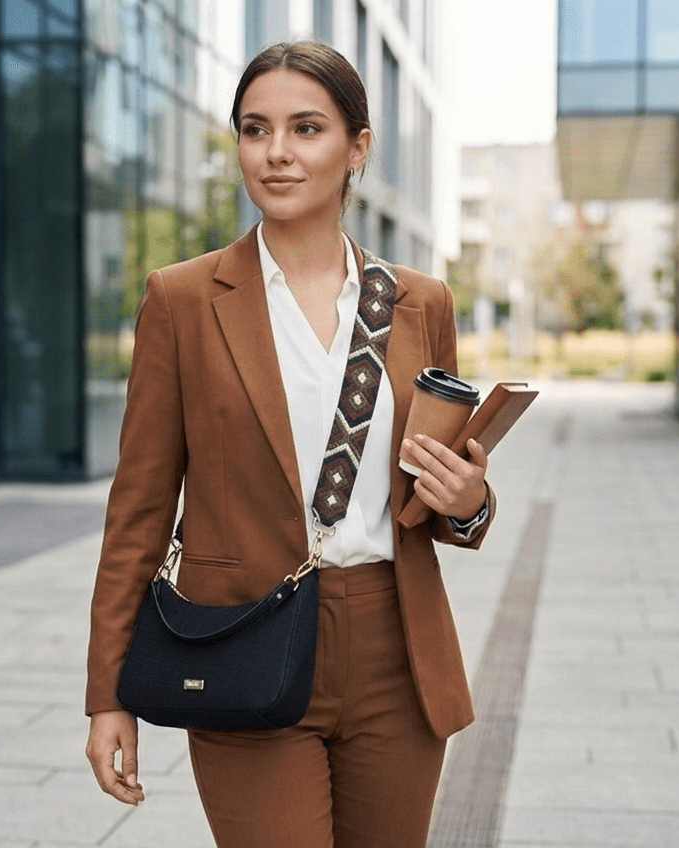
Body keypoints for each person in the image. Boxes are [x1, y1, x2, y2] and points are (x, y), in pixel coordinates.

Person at [85, 40, 496, 848]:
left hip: (396, 652)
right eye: (253, 129)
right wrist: (109, 693)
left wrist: (469, 503)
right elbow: (136, 510)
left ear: (358, 149)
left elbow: (439, 488)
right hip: (243, 640)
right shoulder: (183, 300)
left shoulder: (419, 303)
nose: (275, 153)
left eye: (306, 128)